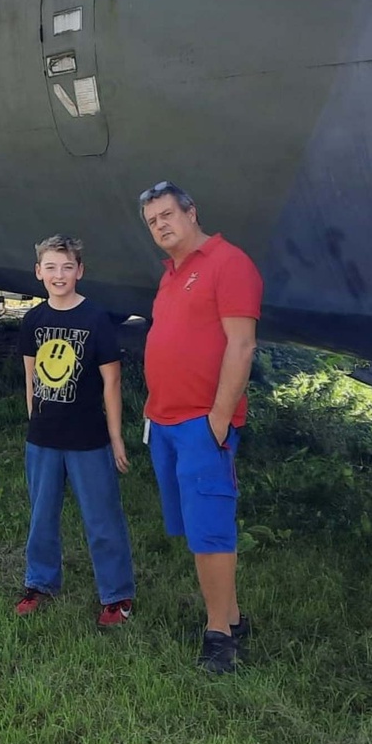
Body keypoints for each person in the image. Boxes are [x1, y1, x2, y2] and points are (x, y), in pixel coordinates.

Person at [138, 182, 262, 674]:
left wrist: (217, 418)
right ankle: (230, 618)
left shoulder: (228, 264)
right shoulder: (172, 274)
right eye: (152, 221)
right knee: (192, 526)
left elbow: (242, 345)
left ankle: (218, 638)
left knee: (211, 529)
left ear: (192, 212)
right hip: (165, 420)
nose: (161, 226)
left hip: (200, 424)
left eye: (168, 214)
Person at [15, 234, 135, 627]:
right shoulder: (33, 320)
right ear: (38, 272)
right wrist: (36, 422)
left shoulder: (96, 319)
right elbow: (31, 377)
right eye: (50, 267)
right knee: (42, 516)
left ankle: (117, 596)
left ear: (80, 271)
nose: (59, 274)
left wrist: (116, 437)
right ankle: (40, 583)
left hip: (88, 439)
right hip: (44, 440)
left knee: (102, 519)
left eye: (67, 267)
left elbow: (111, 383)